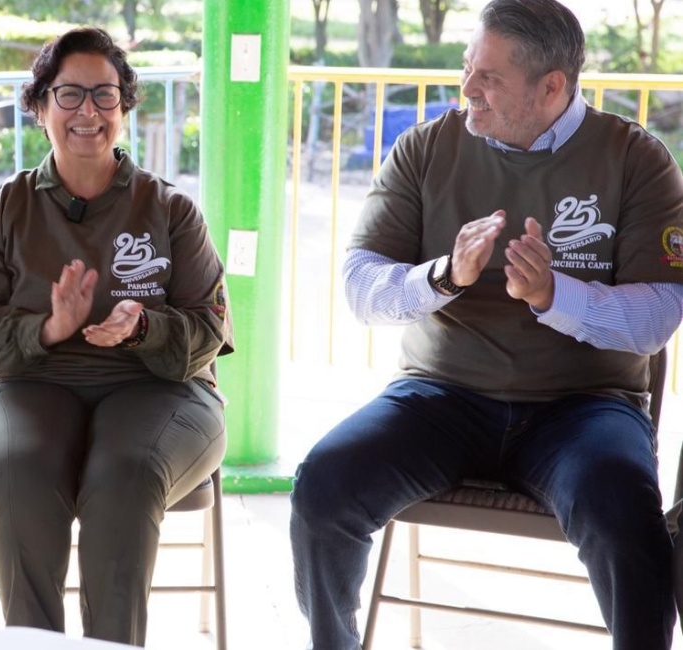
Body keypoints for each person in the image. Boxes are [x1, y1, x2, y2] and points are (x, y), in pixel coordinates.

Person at [289, 1, 683, 648]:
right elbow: (361, 287)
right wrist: (443, 277)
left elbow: (658, 318)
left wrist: (554, 294)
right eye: (468, 67)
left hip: (584, 406)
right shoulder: (425, 147)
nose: (467, 87)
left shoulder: (635, 158)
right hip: (440, 396)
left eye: (489, 77)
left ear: (551, 87)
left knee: (627, 516)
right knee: (324, 487)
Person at [0, 27, 233, 647]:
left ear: (124, 105)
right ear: (39, 105)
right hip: (26, 384)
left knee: (125, 476)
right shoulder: (1, 211)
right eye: (69, 94)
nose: (88, 112)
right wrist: (47, 329)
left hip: (161, 389)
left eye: (105, 95)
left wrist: (144, 327)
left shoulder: (172, 211)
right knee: (18, 472)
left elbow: (210, 328)